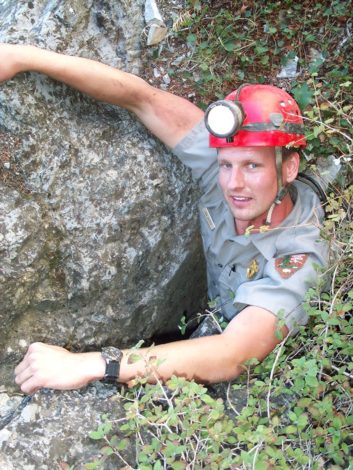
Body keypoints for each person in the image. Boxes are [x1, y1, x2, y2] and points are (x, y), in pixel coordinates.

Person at [0, 44, 327, 394]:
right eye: (226, 164)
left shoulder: (301, 256)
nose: (234, 184)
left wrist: (92, 364)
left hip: (262, 379)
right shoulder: (229, 172)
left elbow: (234, 354)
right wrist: (24, 57)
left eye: (252, 166)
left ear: (289, 167)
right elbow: (142, 98)